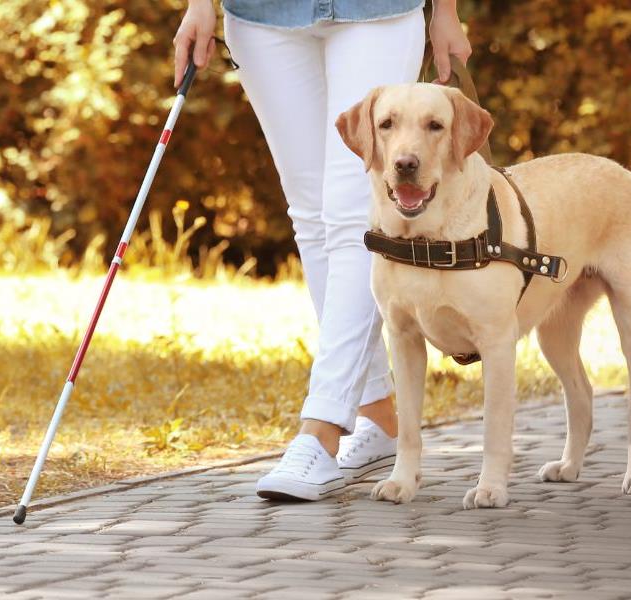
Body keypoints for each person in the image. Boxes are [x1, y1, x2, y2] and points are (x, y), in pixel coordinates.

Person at [173, 0, 473, 500]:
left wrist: (445, 10)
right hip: (261, 15)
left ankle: (322, 428)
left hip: (377, 10)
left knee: (356, 211)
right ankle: (377, 415)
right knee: (311, 217)